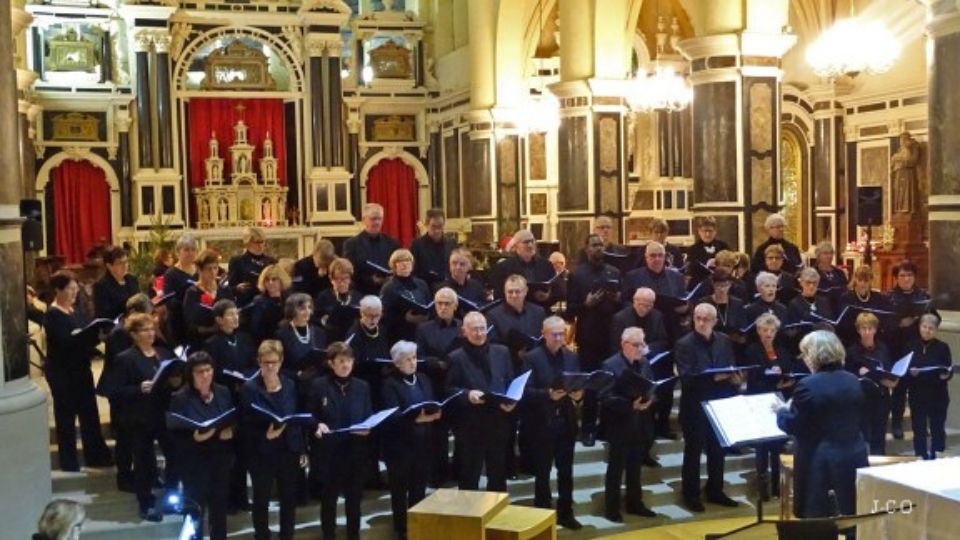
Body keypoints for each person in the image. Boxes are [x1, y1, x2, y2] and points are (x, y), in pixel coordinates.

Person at [775, 330, 868, 518]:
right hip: (853, 456)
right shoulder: (852, 380)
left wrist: (781, 411)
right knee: (853, 516)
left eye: (805, 354)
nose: (804, 359)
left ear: (814, 355)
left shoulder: (807, 385)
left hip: (820, 463)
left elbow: (794, 425)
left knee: (820, 522)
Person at [110, 313, 180, 522]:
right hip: (139, 418)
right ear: (133, 334)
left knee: (175, 455)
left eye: (152, 328)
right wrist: (138, 388)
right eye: (145, 330)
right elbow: (117, 391)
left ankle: (170, 495)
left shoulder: (163, 353)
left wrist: (175, 381)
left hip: (163, 413)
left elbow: (171, 380)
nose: (151, 333)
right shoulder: (125, 359)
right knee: (144, 463)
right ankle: (146, 502)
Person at [43, 270, 113, 472]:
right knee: (66, 417)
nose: (75, 293)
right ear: (58, 290)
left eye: (76, 289)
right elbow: (65, 342)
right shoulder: (53, 315)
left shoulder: (76, 311)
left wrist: (97, 336)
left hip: (81, 369)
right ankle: (69, 461)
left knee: (89, 413)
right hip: (63, 373)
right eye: (70, 289)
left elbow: (85, 335)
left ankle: (96, 456)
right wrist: (83, 338)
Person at [676, 303, 741, 512]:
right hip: (694, 405)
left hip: (719, 402)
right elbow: (686, 378)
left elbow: (730, 365)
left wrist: (734, 378)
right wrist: (715, 377)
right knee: (693, 451)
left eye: (706, 319)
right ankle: (691, 494)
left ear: (715, 321)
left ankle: (715, 490)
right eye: (698, 318)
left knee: (718, 450)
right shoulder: (684, 344)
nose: (701, 322)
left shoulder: (723, 340)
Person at [306, 342, 374, 540]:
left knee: (354, 500)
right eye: (341, 361)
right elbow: (310, 415)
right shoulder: (319, 385)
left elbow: (368, 414)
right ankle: (329, 535)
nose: (346, 365)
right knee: (329, 500)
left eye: (349, 361)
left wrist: (367, 428)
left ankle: (354, 535)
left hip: (355, 451)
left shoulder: (363, 386)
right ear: (331, 363)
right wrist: (317, 425)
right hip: (329, 452)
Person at [239, 340, 306, 540]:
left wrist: (302, 448)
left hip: (288, 449)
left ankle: (287, 535)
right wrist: (264, 435)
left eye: (274, 362)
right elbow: (243, 423)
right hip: (261, 451)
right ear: (259, 362)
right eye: (266, 362)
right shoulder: (249, 388)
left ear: (281, 361)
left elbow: (295, 418)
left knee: (288, 498)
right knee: (261, 499)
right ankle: (262, 535)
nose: (270, 366)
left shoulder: (290, 384)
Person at [522, 316, 583, 530]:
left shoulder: (571, 356)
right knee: (543, 472)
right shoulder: (532, 357)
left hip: (566, 421)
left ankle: (566, 512)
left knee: (566, 471)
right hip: (542, 423)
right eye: (554, 334)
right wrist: (548, 394)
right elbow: (526, 391)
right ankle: (542, 514)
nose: (559, 338)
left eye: (561, 334)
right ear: (544, 333)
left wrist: (578, 395)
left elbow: (576, 382)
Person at [167, 351, 236, 540]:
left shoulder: (223, 392)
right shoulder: (180, 398)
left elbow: (231, 418)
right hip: (194, 463)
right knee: (194, 510)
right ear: (191, 374)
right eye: (200, 372)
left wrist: (231, 430)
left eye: (208, 370)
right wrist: (194, 439)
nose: (205, 375)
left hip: (220, 459)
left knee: (219, 508)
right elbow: (175, 432)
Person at [446, 311, 515, 491]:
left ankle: (498, 515)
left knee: (498, 473)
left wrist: (512, 401)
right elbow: (449, 389)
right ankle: (469, 516)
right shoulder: (456, 357)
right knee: (470, 473)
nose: (479, 333)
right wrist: (467, 395)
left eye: (482, 328)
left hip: (498, 420)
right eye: (474, 329)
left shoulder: (502, 352)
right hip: (471, 424)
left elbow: (510, 381)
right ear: (464, 331)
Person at [380, 341, 442, 539]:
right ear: (397, 363)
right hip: (399, 446)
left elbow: (430, 402)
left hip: (423, 442)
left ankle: (418, 524)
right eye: (408, 359)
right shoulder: (390, 383)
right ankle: (402, 529)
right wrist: (418, 418)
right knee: (399, 491)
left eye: (414, 357)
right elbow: (392, 415)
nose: (413, 362)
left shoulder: (423, 379)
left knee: (419, 487)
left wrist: (433, 413)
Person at [98, 293, 156, 492]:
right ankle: (124, 477)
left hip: (137, 395)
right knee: (124, 437)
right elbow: (124, 363)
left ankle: (146, 474)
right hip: (122, 391)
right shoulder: (120, 334)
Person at [202, 299, 256, 513]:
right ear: (218, 320)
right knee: (226, 457)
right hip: (225, 402)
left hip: (244, 399)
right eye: (230, 315)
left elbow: (253, 364)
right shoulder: (211, 343)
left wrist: (247, 377)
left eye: (236, 313)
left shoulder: (245, 338)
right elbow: (211, 374)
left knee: (243, 454)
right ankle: (227, 501)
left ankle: (242, 498)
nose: (235, 318)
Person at [599, 327, 658, 521]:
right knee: (616, 469)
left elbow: (652, 387)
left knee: (635, 467)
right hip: (619, 424)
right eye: (636, 345)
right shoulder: (610, 365)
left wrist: (650, 400)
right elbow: (605, 397)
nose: (641, 348)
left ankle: (635, 503)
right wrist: (629, 405)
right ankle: (612, 509)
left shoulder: (644, 363)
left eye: (643, 344)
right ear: (624, 345)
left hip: (640, 423)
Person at [742, 313, 797, 500]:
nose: (768, 334)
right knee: (762, 446)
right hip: (759, 399)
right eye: (765, 330)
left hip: (777, 399)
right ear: (758, 331)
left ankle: (777, 487)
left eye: (772, 331)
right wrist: (774, 379)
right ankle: (763, 489)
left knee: (777, 444)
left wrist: (782, 380)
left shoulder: (781, 350)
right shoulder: (752, 350)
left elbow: (787, 369)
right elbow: (755, 375)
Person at [414, 287, 463, 484]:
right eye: (439, 303)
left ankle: (460, 472)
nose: (442, 307)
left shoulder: (462, 327)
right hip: (434, 385)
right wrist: (436, 362)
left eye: (447, 303)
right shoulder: (423, 328)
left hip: (458, 385)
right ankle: (439, 475)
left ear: (455, 306)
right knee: (438, 436)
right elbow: (418, 357)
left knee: (462, 433)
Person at [887, 260, 935, 439]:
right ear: (896, 278)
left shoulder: (923, 295)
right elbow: (883, 323)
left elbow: (934, 318)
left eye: (909, 275)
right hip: (897, 347)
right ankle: (897, 424)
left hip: (918, 347)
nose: (906, 279)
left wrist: (923, 321)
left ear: (914, 277)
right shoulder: (890, 297)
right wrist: (899, 323)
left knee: (920, 390)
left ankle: (921, 424)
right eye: (902, 275)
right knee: (899, 388)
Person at [567, 233, 622, 374]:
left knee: (611, 377)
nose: (598, 248)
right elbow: (570, 311)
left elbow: (624, 305)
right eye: (594, 245)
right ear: (587, 249)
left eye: (601, 245)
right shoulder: (577, 275)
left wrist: (618, 299)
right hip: (588, 337)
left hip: (611, 334)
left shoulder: (614, 272)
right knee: (590, 379)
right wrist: (586, 304)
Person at [845, 312, 895, 455]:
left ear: (875, 329)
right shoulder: (852, 352)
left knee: (880, 436)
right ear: (858, 330)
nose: (867, 332)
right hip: (862, 399)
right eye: (863, 328)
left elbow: (887, 368)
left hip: (882, 397)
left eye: (870, 328)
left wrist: (890, 378)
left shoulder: (883, 348)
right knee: (864, 436)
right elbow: (851, 375)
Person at [906, 314, 953, 460]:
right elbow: (904, 369)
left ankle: (937, 456)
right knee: (919, 428)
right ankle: (920, 456)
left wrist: (946, 375)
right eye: (924, 327)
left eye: (931, 328)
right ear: (919, 327)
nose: (927, 331)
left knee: (937, 428)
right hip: (917, 394)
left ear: (936, 330)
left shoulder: (943, 347)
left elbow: (948, 369)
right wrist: (911, 372)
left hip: (938, 395)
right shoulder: (911, 346)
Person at [491, 229, 559, 310]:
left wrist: (548, 297)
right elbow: (499, 297)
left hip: (541, 312)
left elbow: (556, 291)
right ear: (516, 246)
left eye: (532, 241)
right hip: (514, 314)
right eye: (526, 242)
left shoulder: (546, 265)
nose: (530, 245)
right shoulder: (503, 268)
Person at [344, 203, 400, 296]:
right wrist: (371, 280)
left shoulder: (392, 243)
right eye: (373, 219)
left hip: (388, 292)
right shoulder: (352, 244)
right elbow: (349, 270)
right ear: (364, 220)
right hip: (361, 292)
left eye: (380, 219)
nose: (377, 222)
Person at [183, 249, 235, 349]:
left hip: (225, 342)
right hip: (201, 343)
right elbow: (190, 325)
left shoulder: (224, 289)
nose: (213, 273)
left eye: (215, 268)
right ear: (199, 269)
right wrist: (212, 329)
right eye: (208, 269)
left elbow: (233, 311)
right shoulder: (192, 293)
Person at [380, 249, 432, 342]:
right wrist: (406, 319)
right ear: (393, 266)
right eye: (400, 261)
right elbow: (385, 316)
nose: (405, 264)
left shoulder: (422, 284)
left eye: (408, 261)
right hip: (399, 334)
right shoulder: (388, 288)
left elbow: (429, 304)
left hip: (422, 332)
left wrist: (426, 316)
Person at [276, 293, 328, 386]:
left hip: (318, 383)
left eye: (309, 307)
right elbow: (279, 366)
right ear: (292, 311)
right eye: (302, 308)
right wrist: (297, 374)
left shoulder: (319, 332)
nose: (308, 311)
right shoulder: (281, 335)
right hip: (293, 383)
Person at [837, 265, 894, 345]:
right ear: (855, 279)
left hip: (874, 338)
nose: (862, 283)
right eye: (860, 280)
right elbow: (843, 323)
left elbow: (884, 319)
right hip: (853, 339)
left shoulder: (879, 297)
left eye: (866, 280)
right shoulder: (846, 297)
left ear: (871, 281)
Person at [162, 234, 200, 346]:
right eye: (186, 250)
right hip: (179, 322)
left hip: (197, 321)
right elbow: (169, 301)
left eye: (193, 250)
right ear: (178, 252)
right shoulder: (171, 274)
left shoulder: (199, 271)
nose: (190, 253)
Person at [227, 227, 278, 307]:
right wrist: (237, 288)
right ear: (248, 242)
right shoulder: (237, 261)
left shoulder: (271, 261)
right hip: (246, 303)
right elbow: (231, 287)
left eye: (262, 242)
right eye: (257, 242)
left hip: (267, 303)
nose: (261, 245)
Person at [314, 257, 361, 343]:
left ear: (350, 279)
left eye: (345, 278)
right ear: (331, 278)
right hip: (331, 339)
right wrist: (322, 320)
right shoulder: (324, 296)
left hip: (352, 339)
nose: (341, 282)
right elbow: (313, 319)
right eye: (337, 278)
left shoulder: (357, 296)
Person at [410, 208, 458, 288]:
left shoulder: (451, 243)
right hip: (426, 289)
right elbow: (413, 272)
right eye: (433, 226)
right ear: (426, 225)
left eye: (440, 226)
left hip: (448, 288)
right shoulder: (417, 245)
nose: (437, 230)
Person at [434, 248, 487, 318]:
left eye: (462, 264)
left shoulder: (477, 287)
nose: (458, 267)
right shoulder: (440, 288)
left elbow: (483, 309)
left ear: (469, 266)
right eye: (454, 263)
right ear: (449, 265)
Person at [246, 264, 291, 343]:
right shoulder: (259, 301)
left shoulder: (289, 300)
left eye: (274, 279)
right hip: (268, 342)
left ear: (281, 280)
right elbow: (256, 329)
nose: (270, 282)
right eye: (267, 279)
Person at [93, 245, 140, 320]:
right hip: (116, 326)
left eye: (126, 262)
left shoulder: (132, 280)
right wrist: (127, 304)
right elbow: (104, 315)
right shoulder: (101, 286)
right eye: (120, 263)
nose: (125, 266)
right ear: (109, 266)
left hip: (136, 322)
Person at [813, 241, 848, 314]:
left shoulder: (839, 273)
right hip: (820, 309)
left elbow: (846, 292)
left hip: (839, 308)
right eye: (825, 253)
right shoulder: (812, 273)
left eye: (831, 253)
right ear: (818, 255)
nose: (829, 256)